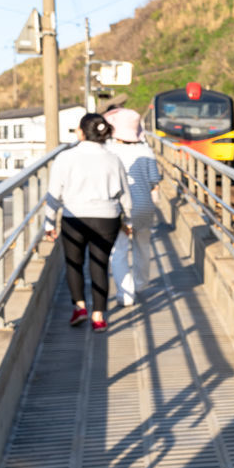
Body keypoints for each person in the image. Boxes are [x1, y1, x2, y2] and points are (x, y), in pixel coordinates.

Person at [43, 113, 133, 332]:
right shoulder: (113, 159)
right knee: (99, 265)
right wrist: (128, 220)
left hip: (75, 218)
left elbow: (54, 193)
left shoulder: (66, 157)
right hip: (107, 218)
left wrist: (49, 222)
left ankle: (80, 307)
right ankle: (99, 316)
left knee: (74, 263)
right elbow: (125, 196)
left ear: (81, 132)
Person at [103, 107, 161, 306]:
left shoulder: (110, 151)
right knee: (142, 246)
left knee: (118, 251)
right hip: (144, 206)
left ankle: (126, 294)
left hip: (120, 209)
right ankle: (140, 284)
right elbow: (154, 180)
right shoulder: (146, 150)